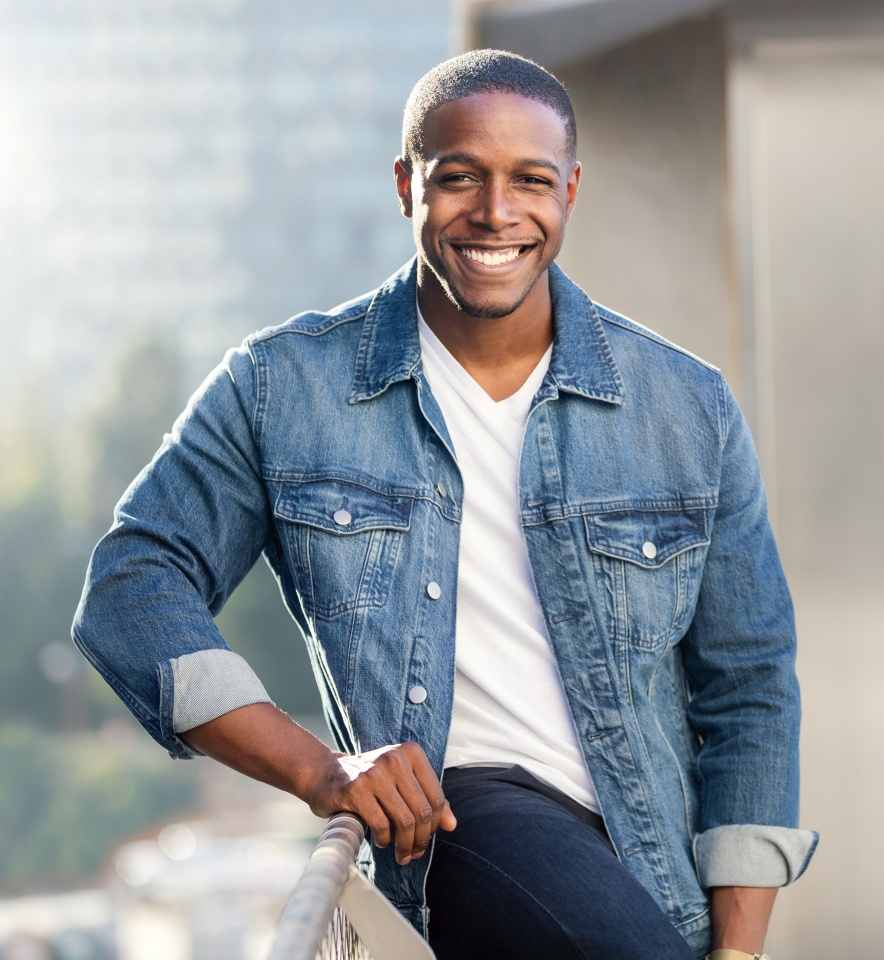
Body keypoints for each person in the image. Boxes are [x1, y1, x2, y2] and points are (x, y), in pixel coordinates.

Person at [73, 49, 817, 960]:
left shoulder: (687, 407)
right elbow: (130, 589)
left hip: (651, 891)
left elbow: (750, 686)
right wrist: (320, 768)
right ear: (406, 186)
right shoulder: (282, 388)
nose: (497, 212)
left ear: (571, 190)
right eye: (460, 176)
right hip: (459, 827)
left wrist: (737, 949)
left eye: (530, 180)